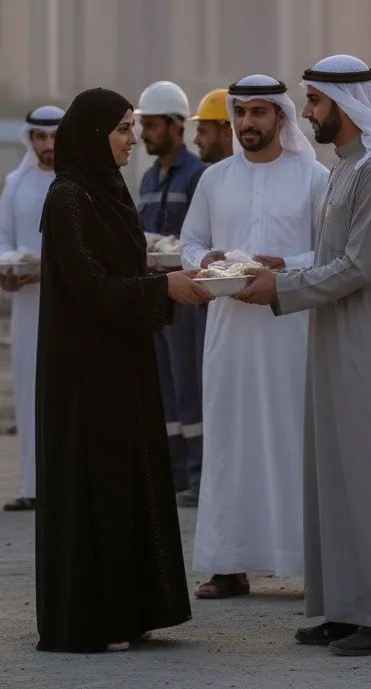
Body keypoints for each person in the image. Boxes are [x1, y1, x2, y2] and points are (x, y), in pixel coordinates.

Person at [236, 55, 371, 658]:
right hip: (335, 340)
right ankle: (348, 607)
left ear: (343, 106)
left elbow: (360, 266)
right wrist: (285, 268)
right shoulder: (345, 170)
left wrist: (283, 291)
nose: (310, 114)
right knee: (338, 479)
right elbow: (331, 256)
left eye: (316, 103)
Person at [35, 88, 212, 653]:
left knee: (129, 482)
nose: (132, 139)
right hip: (86, 377)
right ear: (92, 136)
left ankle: (132, 609)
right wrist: (165, 288)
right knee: (97, 486)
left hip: (124, 366)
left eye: (134, 127)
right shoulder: (67, 199)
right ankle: (93, 617)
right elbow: (91, 288)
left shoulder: (107, 192)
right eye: (121, 129)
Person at [180, 76, 328, 599]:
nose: (247, 123)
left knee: (295, 438)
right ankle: (228, 562)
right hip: (229, 333)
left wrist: (285, 265)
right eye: (240, 113)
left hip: (291, 331)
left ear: (280, 119)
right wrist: (207, 261)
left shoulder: (313, 177)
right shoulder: (215, 179)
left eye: (258, 113)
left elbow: (331, 254)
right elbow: (191, 243)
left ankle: (307, 560)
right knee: (229, 442)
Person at [136, 80, 207, 504]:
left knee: (188, 385)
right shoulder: (147, 178)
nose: (144, 133)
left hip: (185, 296)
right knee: (161, 385)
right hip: (155, 294)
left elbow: (197, 237)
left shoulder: (197, 175)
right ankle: (174, 474)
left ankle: (197, 476)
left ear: (176, 126)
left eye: (152, 124)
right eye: (142, 125)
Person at [0, 105, 63, 511]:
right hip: (26, 307)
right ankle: (32, 486)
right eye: (40, 137)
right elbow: (4, 239)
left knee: (65, 393)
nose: (47, 145)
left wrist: (50, 272)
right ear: (31, 139)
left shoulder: (77, 184)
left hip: (69, 307)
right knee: (27, 391)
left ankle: (64, 486)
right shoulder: (15, 183)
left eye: (54, 136)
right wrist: (8, 269)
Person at [192, 89, 234, 165]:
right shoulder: (207, 175)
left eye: (202, 132)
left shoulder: (252, 175)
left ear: (227, 133)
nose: (196, 141)